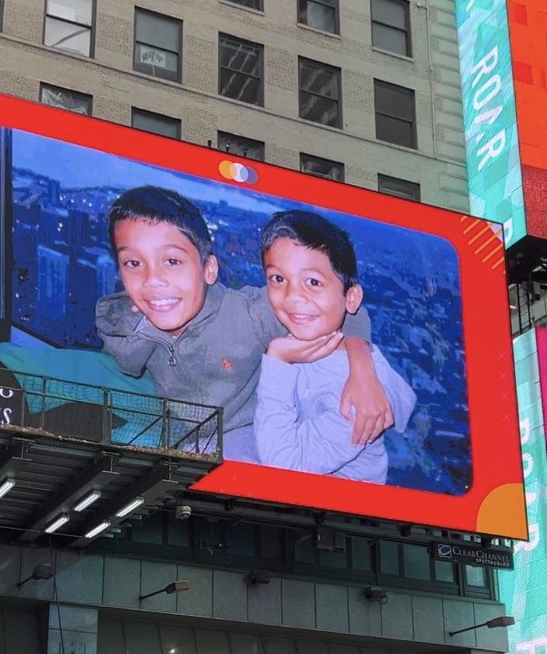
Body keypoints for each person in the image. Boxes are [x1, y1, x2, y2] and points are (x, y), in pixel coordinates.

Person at [95, 186, 391, 461]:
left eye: (172, 261)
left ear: (209, 269)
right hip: (176, 442)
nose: (153, 280)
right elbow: (119, 362)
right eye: (133, 263)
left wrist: (363, 373)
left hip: (246, 437)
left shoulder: (248, 313)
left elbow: (340, 307)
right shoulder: (125, 323)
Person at [253, 210, 415, 482]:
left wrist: (278, 361)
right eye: (278, 279)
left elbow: (284, 465)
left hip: (339, 516)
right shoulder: (299, 323)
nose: (292, 297)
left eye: (313, 282)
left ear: (351, 299)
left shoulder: (361, 400)